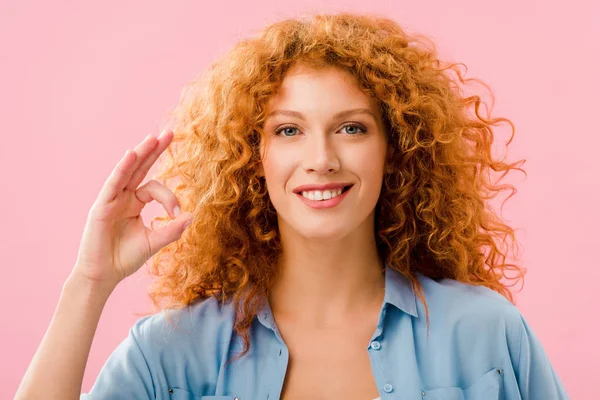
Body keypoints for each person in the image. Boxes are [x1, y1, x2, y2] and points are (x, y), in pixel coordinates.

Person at [15, 12, 568, 400]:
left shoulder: (487, 333)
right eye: (288, 130)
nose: (321, 158)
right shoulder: (173, 351)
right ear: (252, 158)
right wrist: (90, 280)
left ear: (396, 151)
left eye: (351, 128)